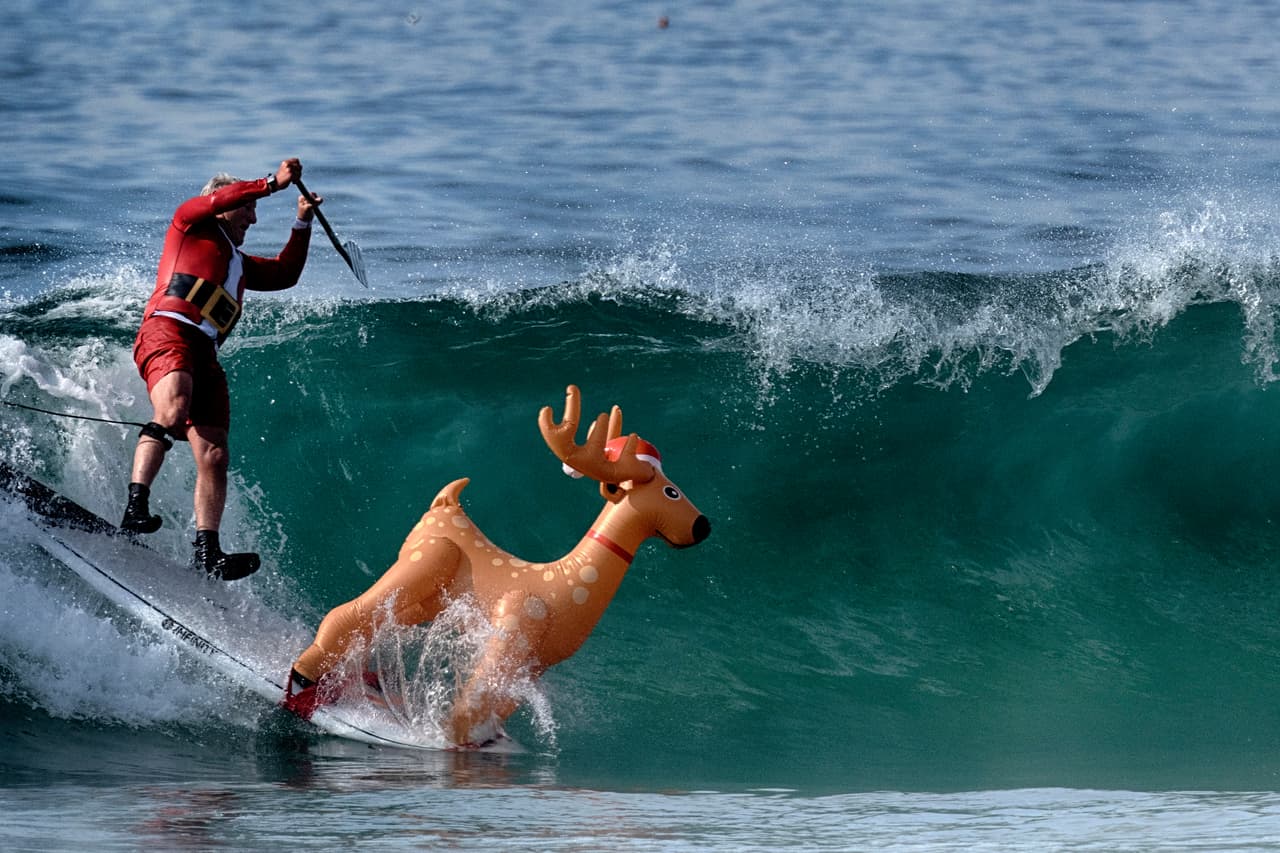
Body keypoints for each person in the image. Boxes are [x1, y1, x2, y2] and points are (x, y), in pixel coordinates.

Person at [120, 158, 320, 581]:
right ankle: (135, 508)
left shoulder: (239, 264)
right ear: (222, 205)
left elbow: (286, 274)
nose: (253, 215)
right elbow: (229, 195)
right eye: (246, 208)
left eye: (254, 207)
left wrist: (302, 222)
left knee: (214, 454)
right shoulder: (189, 224)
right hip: (168, 331)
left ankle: (207, 551)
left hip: (204, 352)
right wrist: (270, 184)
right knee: (172, 411)